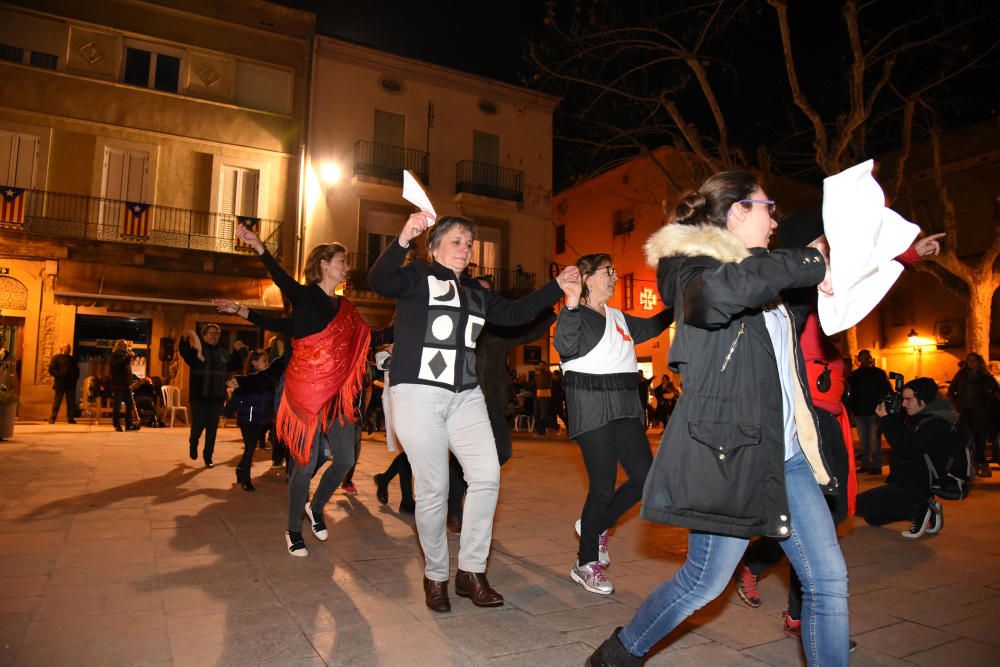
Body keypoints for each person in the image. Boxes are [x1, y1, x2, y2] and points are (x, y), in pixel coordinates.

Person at [587, 171, 848, 666]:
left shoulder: (762, 276)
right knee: (703, 583)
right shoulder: (690, 268)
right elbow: (716, 298)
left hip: (788, 453)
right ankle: (619, 654)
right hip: (732, 453)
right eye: (767, 207)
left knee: (828, 581)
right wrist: (810, 261)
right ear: (736, 212)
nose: (774, 221)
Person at [369, 212, 579, 613]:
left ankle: (471, 571)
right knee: (434, 491)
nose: (465, 248)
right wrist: (402, 238)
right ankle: (436, 575)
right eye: (456, 241)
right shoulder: (416, 277)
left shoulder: (476, 294)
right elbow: (379, 281)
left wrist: (556, 286)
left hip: (466, 395)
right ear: (433, 246)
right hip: (417, 394)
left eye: (469, 242)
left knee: (486, 477)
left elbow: (517, 315)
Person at [234, 225, 370, 557]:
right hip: (305, 393)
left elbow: (369, 337)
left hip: (336, 396)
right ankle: (293, 529)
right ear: (324, 264)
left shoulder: (346, 310)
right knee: (305, 465)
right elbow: (282, 285)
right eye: (341, 261)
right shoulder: (307, 296)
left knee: (346, 459)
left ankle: (316, 506)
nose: (345, 267)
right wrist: (258, 247)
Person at [554, 253, 671, 595]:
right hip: (591, 407)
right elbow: (564, 345)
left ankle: (599, 525)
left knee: (645, 479)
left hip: (624, 406)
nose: (616, 276)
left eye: (615, 271)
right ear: (589, 278)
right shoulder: (575, 314)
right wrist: (571, 303)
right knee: (603, 486)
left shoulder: (619, 317)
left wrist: (681, 306)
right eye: (609, 271)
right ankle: (585, 562)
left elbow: (651, 328)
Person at [856, 378, 951, 537]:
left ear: (924, 399)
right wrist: (890, 417)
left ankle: (920, 509)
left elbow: (904, 448)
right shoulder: (921, 417)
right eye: (903, 399)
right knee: (873, 519)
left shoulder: (935, 424)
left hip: (915, 485)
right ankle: (927, 509)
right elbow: (905, 442)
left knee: (855, 505)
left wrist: (888, 420)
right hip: (910, 483)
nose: (904, 404)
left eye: (909, 399)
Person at [178, 324, 246, 466]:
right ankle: (193, 443)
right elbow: (184, 351)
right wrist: (184, 338)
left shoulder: (223, 353)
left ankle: (208, 457)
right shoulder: (197, 352)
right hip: (199, 397)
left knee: (212, 429)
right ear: (204, 335)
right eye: (211, 333)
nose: (214, 336)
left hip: (217, 397)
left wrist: (238, 350)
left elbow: (235, 364)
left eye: (217, 333)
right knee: (198, 425)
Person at [224, 350, 279, 492]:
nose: (267, 363)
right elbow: (236, 397)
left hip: (261, 419)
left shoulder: (267, 380)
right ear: (254, 363)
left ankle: (240, 468)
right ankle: (246, 479)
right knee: (249, 447)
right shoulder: (247, 381)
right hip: (247, 419)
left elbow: (271, 398)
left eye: (267, 361)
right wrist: (227, 411)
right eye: (264, 361)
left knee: (251, 447)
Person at [948, 353, 999, 478]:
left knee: (980, 440)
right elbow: (951, 389)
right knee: (968, 439)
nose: (971, 362)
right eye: (969, 360)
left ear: (978, 362)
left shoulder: (986, 377)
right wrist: (956, 402)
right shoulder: (961, 375)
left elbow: (996, 390)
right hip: (965, 412)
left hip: (981, 412)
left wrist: (990, 400)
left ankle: (983, 465)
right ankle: (975, 466)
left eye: (973, 360)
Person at [848, 349, 891, 475]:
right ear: (859, 359)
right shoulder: (854, 376)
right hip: (860, 411)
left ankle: (876, 465)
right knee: (864, 440)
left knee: (874, 439)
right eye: (865, 357)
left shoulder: (877, 373)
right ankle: (867, 464)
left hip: (874, 411)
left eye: (868, 357)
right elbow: (851, 395)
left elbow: (886, 390)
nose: (867, 359)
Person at [109, 340, 138, 432]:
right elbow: (120, 365)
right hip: (118, 384)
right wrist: (129, 356)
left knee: (130, 404)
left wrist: (133, 379)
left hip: (126, 384)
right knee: (117, 406)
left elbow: (127, 369)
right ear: (119, 345)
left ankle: (128, 424)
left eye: (126, 345)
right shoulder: (115, 355)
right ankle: (116, 424)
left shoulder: (125, 355)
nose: (126, 346)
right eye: (124, 345)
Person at [48, 344, 79, 424]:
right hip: (60, 383)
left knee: (71, 401)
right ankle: (53, 417)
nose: (68, 349)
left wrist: (75, 378)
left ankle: (70, 418)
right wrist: (58, 375)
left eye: (69, 348)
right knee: (57, 401)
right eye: (66, 348)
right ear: (62, 348)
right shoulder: (56, 358)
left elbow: (76, 370)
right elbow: (51, 369)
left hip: (71, 383)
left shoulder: (72, 359)